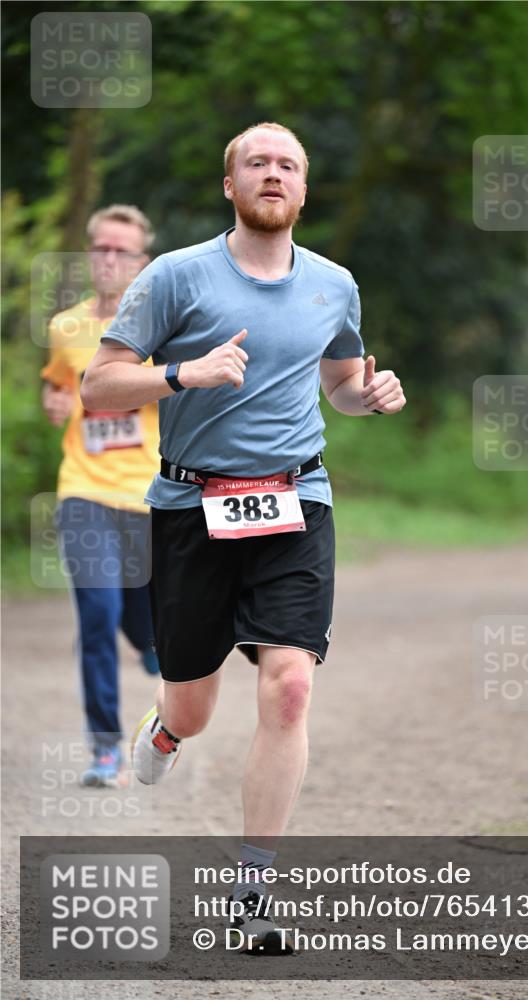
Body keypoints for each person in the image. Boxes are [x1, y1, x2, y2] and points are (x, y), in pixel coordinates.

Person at [81, 123, 406, 951]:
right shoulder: (176, 276)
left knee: (289, 686)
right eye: (255, 162)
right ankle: (162, 728)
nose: (272, 173)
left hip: (297, 500)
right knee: (192, 704)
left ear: (304, 190)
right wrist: (183, 373)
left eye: (288, 164)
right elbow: (96, 387)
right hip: (192, 507)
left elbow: (337, 382)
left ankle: (252, 895)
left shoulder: (334, 284)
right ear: (230, 184)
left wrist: (366, 398)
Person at [41, 204, 161, 788]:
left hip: (148, 497)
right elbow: (58, 382)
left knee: (145, 623)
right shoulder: (66, 327)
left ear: (144, 262)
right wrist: (55, 402)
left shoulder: (164, 326)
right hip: (83, 490)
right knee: (97, 614)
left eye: (123, 251)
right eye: (101, 249)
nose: (110, 260)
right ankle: (106, 749)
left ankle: (151, 646)